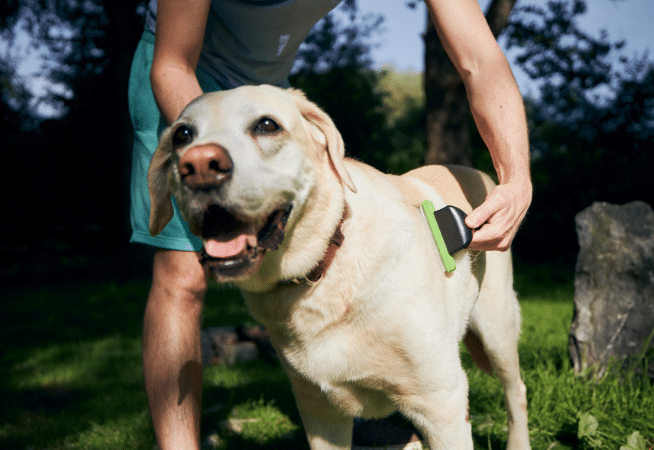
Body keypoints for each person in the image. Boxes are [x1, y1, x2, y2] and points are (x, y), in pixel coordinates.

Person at [127, 0, 532, 448]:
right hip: (182, 73)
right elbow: (171, 62)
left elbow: (480, 57)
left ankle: (471, 405)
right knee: (183, 273)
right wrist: (214, 146)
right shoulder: (199, 138)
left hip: (268, 91)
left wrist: (517, 178)